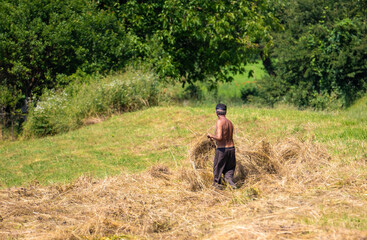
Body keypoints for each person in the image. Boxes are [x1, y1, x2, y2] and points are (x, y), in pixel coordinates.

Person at [207, 104, 236, 189]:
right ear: (225, 112)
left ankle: (217, 187)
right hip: (231, 149)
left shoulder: (219, 121)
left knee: (218, 170)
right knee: (229, 170)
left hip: (222, 150)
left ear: (216, 112)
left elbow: (219, 137)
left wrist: (211, 135)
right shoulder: (230, 123)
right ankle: (231, 184)